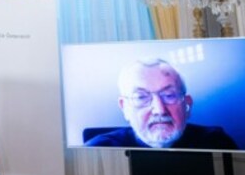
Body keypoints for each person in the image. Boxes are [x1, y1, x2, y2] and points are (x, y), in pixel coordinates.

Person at [85, 58, 237, 149]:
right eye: (141, 97)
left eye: (169, 95)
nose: (159, 110)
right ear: (125, 108)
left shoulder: (216, 142)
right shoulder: (99, 150)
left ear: (187, 105)